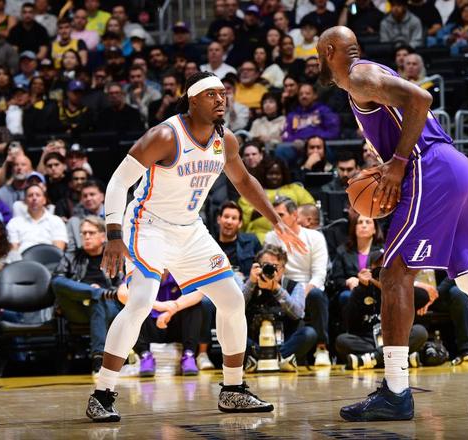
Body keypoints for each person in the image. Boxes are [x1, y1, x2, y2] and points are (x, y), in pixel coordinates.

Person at [318, 26, 468, 421]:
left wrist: (397, 164)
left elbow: (421, 98)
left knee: (395, 273)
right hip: (457, 167)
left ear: (327, 51)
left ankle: (395, 390)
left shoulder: (359, 75)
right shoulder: (368, 76)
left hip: (428, 167)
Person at [86, 71, 305, 421]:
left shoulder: (225, 140)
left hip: (189, 229)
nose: (221, 100)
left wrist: (277, 221)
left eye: (223, 94)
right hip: (148, 225)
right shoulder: (164, 135)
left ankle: (233, 390)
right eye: (211, 94)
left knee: (232, 299)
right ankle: (102, 393)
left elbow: (244, 181)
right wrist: (113, 236)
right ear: (192, 100)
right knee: (140, 302)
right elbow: (117, 183)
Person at [52, 216, 125, 374]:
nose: (86, 237)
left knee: (97, 301)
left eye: (91, 233)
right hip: (78, 306)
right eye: (83, 233)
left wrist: (99, 294)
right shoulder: (72, 256)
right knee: (57, 281)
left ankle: (99, 360)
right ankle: (97, 292)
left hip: (108, 306)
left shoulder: (114, 256)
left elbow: (122, 287)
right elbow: (58, 280)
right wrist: (89, 289)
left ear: (103, 236)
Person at [265, 197, 331, 366]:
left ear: (294, 215)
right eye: (273, 215)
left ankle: (322, 349)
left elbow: (319, 275)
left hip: (307, 287)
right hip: (281, 286)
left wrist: (301, 294)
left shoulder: (315, 237)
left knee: (317, 295)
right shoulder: (271, 237)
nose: (276, 220)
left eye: (280, 215)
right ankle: (270, 352)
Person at [243, 245, 318, 372]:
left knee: (309, 333)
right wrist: (251, 283)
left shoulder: (294, 286)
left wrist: (276, 288)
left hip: (285, 342)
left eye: (275, 266)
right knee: (230, 334)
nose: (270, 269)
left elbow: (298, 313)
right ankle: (277, 360)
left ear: (283, 269)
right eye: (265, 265)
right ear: (258, 266)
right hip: (255, 344)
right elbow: (234, 308)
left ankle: (268, 358)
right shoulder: (249, 282)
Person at [6, 184, 67, 252]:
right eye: (30, 195)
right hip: (22, 258)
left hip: (49, 258)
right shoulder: (14, 223)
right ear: (25, 201)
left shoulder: (56, 221)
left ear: (44, 200)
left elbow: (58, 251)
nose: (34, 198)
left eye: (38, 195)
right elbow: (14, 252)